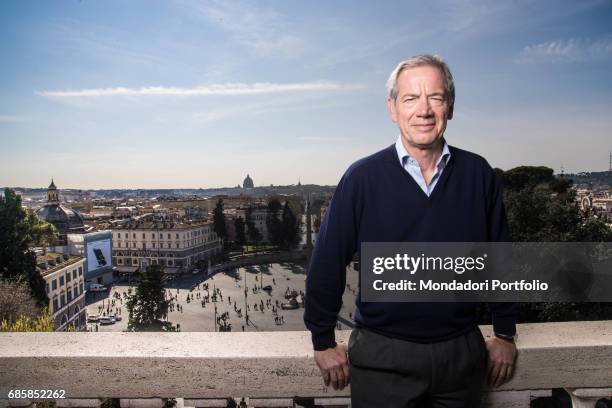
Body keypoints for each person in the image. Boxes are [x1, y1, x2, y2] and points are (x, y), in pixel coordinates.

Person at [304, 54, 518, 407]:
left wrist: (505, 333)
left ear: (449, 106)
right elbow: (327, 260)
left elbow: (500, 258)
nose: (424, 110)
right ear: (392, 108)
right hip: (381, 356)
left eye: (435, 97)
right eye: (410, 98)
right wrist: (323, 340)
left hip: (461, 354)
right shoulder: (361, 178)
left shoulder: (479, 174)